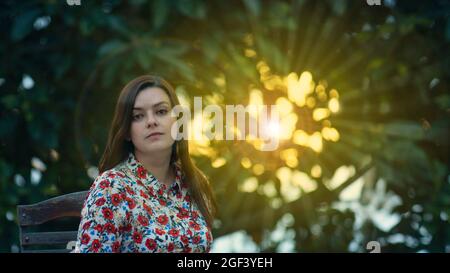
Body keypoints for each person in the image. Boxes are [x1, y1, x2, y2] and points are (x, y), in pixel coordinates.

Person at [74, 75, 216, 253]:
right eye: (138, 116)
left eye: (161, 111)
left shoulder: (194, 182)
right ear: (126, 131)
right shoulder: (112, 187)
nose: (151, 121)